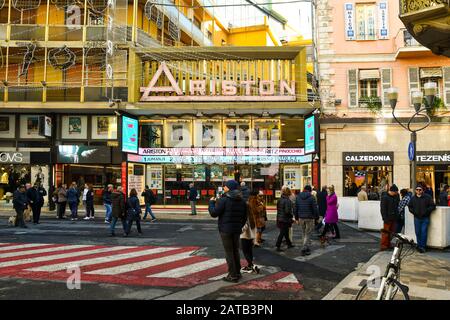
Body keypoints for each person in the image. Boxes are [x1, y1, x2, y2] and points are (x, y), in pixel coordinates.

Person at [209, 180, 247, 283]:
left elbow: (214, 213)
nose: (224, 188)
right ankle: (238, 272)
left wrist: (211, 203)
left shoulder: (224, 200)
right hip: (236, 229)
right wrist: (239, 226)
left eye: (225, 186)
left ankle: (232, 275)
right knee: (235, 250)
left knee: (229, 252)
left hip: (225, 230)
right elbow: (244, 217)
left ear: (229, 188)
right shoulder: (242, 200)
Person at [408, 185, 436, 253]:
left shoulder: (427, 197)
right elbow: (410, 206)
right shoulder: (413, 198)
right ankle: (419, 245)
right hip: (416, 218)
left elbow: (433, 206)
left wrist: (426, 212)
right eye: (417, 189)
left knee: (424, 232)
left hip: (425, 218)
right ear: (415, 190)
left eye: (420, 189)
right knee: (417, 232)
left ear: (422, 190)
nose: (418, 191)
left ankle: (423, 247)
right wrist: (414, 212)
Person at [295, 185, 319, 256]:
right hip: (309, 218)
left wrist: (296, 218)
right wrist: (316, 217)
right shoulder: (312, 197)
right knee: (308, 233)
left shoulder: (298, 197)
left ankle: (306, 246)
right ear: (310, 190)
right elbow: (315, 209)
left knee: (303, 232)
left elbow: (295, 208)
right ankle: (304, 248)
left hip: (301, 217)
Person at [240, 190, 259, 274]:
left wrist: (240, 231)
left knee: (245, 250)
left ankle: (252, 265)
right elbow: (253, 224)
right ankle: (249, 265)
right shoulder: (251, 214)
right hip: (251, 234)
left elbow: (245, 225)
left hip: (245, 235)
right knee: (249, 250)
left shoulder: (246, 211)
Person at [380, 184, 400, 251]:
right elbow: (383, 209)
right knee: (385, 233)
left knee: (391, 233)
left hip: (394, 218)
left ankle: (389, 244)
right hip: (387, 218)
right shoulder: (385, 197)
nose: (397, 193)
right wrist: (385, 218)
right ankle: (384, 246)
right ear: (392, 191)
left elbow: (397, 206)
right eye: (396, 192)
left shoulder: (395, 196)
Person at [276, 187, 295, 252]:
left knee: (285, 232)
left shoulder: (280, 199)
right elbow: (287, 211)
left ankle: (289, 244)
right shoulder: (287, 200)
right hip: (285, 219)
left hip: (280, 218)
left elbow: (278, 209)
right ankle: (278, 245)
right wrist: (291, 216)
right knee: (283, 232)